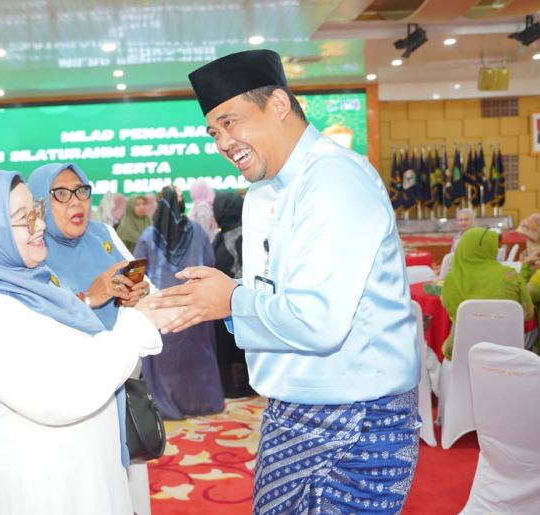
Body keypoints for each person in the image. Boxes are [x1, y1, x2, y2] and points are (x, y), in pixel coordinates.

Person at [151, 49, 420, 512]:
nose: (222, 142)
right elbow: (274, 300)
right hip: (291, 411)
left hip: (355, 420)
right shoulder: (265, 192)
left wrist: (231, 300)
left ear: (278, 103)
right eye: (214, 131)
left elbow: (317, 321)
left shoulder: (333, 180)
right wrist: (216, 302)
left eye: (230, 122)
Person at [0, 170, 169, 515]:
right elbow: (70, 392)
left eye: (35, 211)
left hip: (81, 472)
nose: (39, 225)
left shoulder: (29, 287)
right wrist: (138, 318)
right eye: (24, 218)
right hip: (46, 488)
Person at [28, 163, 154, 514]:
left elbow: (146, 290)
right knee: (88, 492)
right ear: (39, 203)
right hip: (71, 395)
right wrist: (89, 297)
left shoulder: (102, 233)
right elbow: (34, 320)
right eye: (61, 194)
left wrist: (136, 293)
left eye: (82, 191)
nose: (76, 202)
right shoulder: (31, 250)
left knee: (127, 491)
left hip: (121, 381)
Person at [134, 186, 224, 419]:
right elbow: (211, 264)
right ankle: (202, 403)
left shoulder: (148, 236)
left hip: (160, 308)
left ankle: (164, 406)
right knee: (198, 356)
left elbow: (137, 272)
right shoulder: (198, 232)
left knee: (163, 361)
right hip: (195, 303)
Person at [441, 227, 533, 360]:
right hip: (506, 353)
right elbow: (527, 314)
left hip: (460, 352)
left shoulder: (450, 279)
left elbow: (448, 308)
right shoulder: (510, 275)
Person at [211, 191, 254, 398]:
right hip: (227, 303)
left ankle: (246, 384)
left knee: (244, 343)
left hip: (244, 301)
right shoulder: (220, 236)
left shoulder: (250, 234)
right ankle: (231, 386)